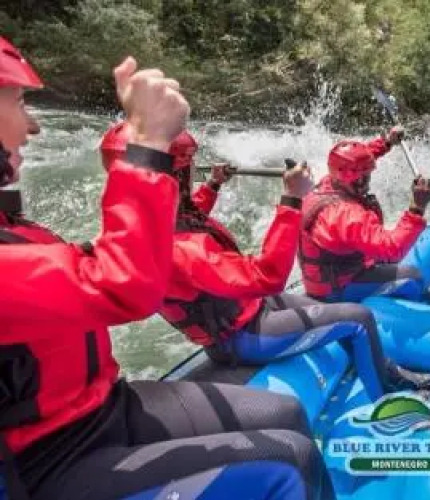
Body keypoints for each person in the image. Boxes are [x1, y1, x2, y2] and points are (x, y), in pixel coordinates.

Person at [0, 39, 330, 500]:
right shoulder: (178, 249)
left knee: (289, 417)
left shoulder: (18, 228)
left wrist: (209, 186)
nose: (33, 125)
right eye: (19, 102)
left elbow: (166, 226)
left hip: (101, 407)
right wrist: (150, 144)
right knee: (291, 461)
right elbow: (125, 283)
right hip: (49, 460)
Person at [98, 124, 430, 401]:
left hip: (250, 307)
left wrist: (213, 185)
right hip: (241, 336)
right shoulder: (181, 249)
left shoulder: (154, 224)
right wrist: (290, 200)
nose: (191, 178)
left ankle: (368, 362)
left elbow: (191, 213)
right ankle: (387, 392)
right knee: (359, 319)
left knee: (331, 313)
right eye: (188, 171)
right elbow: (268, 275)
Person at [299, 128, 430, 303]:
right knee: (412, 275)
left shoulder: (329, 182)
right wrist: (417, 207)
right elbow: (392, 249)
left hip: (329, 276)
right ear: (353, 178)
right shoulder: (347, 215)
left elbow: (360, 159)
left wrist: (386, 142)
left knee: (382, 261)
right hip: (336, 290)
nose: (367, 181)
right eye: (365, 176)